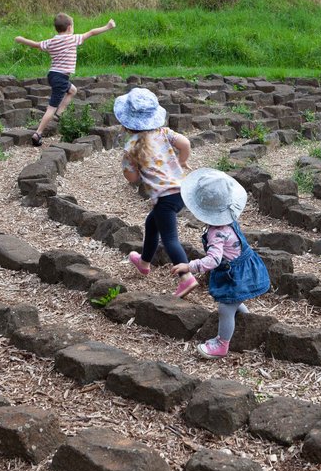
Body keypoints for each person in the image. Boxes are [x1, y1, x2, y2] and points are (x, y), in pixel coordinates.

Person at [171, 168, 270, 358]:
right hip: (246, 267)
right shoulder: (231, 218)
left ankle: (222, 344)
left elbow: (214, 260)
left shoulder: (216, 233)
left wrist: (189, 266)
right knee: (235, 302)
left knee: (225, 308)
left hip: (235, 276)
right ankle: (246, 320)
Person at [116, 88, 198, 298]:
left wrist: (128, 168)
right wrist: (181, 161)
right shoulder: (164, 133)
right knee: (151, 224)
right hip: (180, 191)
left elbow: (132, 179)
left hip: (164, 197)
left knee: (170, 239)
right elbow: (186, 143)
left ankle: (186, 277)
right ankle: (144, 262)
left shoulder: (131, 147)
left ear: (126, 122)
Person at [14, 13, 116, 146]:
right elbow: (91, 32)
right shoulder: (72, 39)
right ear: (69, 28)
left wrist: (21, 39)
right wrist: (107, 26)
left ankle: (59, 114)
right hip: (61, 77)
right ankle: (38, 133)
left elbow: (36, 45)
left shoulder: (51, 41)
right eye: (73, 26)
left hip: (53, 75)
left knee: (72, 90)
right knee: (51, 107)